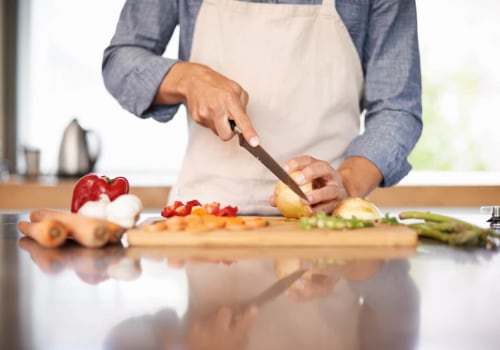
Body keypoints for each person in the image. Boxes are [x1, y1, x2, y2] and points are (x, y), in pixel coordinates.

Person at [102, 0, 422, 215]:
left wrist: (348, 182)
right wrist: (187, 78)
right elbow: (121, 60)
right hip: (204, 220)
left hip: (324, 224)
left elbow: (397, 107)